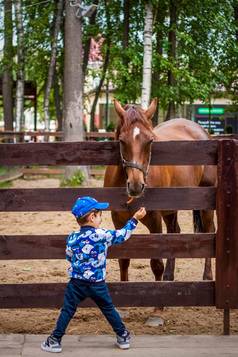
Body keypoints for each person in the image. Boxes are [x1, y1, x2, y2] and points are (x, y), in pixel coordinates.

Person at [41, 196, 146, 353]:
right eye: (99, 214)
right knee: (108, 308)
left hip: (76, 283)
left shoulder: (72, 237)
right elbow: (123, 234)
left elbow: (69, 256)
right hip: (97, 283)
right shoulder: (103, 235)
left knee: (67, 310)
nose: (101, 217)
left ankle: (54, 340)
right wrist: (135, 219)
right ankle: (123, 336)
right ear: (92, 217)